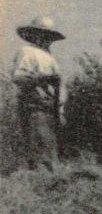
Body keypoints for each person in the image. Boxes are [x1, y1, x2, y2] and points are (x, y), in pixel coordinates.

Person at [11, 17, 67, 169]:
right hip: (35, 107)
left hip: (50, 108)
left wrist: (60, 112)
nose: (46, 39)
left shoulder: (49, 57)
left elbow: (60, 87)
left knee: (50, 148)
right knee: (40, 148)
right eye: (42, 34)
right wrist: (43, 78)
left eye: (49, 36)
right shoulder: (27, 52)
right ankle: (38, 182)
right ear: (33, 35)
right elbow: (18, 78)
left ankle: (48, 182)